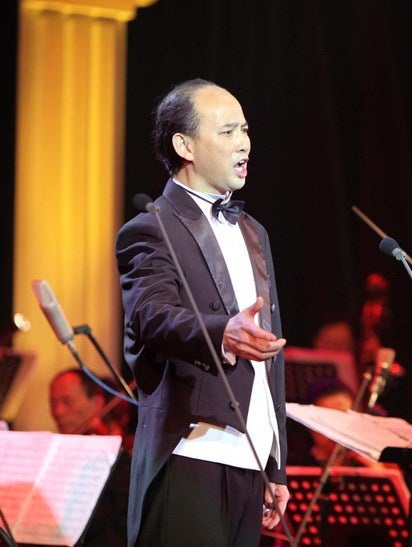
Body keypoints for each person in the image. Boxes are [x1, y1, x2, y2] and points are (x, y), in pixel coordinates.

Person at [115, 78, 289, 546]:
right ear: (184, 144)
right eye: (229, 131)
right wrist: (221, 333)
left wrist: (276, 464)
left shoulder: (254, 231)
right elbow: (151, 315)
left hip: (250, 461)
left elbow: (272, 354)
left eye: (246, 130)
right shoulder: (150, 228)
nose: (245, 143)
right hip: (190, 452)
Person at [49, 368, 131, 546]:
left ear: (97, 403)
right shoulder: (51, 456)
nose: (58, 411)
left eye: (67, 401)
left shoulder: (126, 453)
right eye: (53, 403)